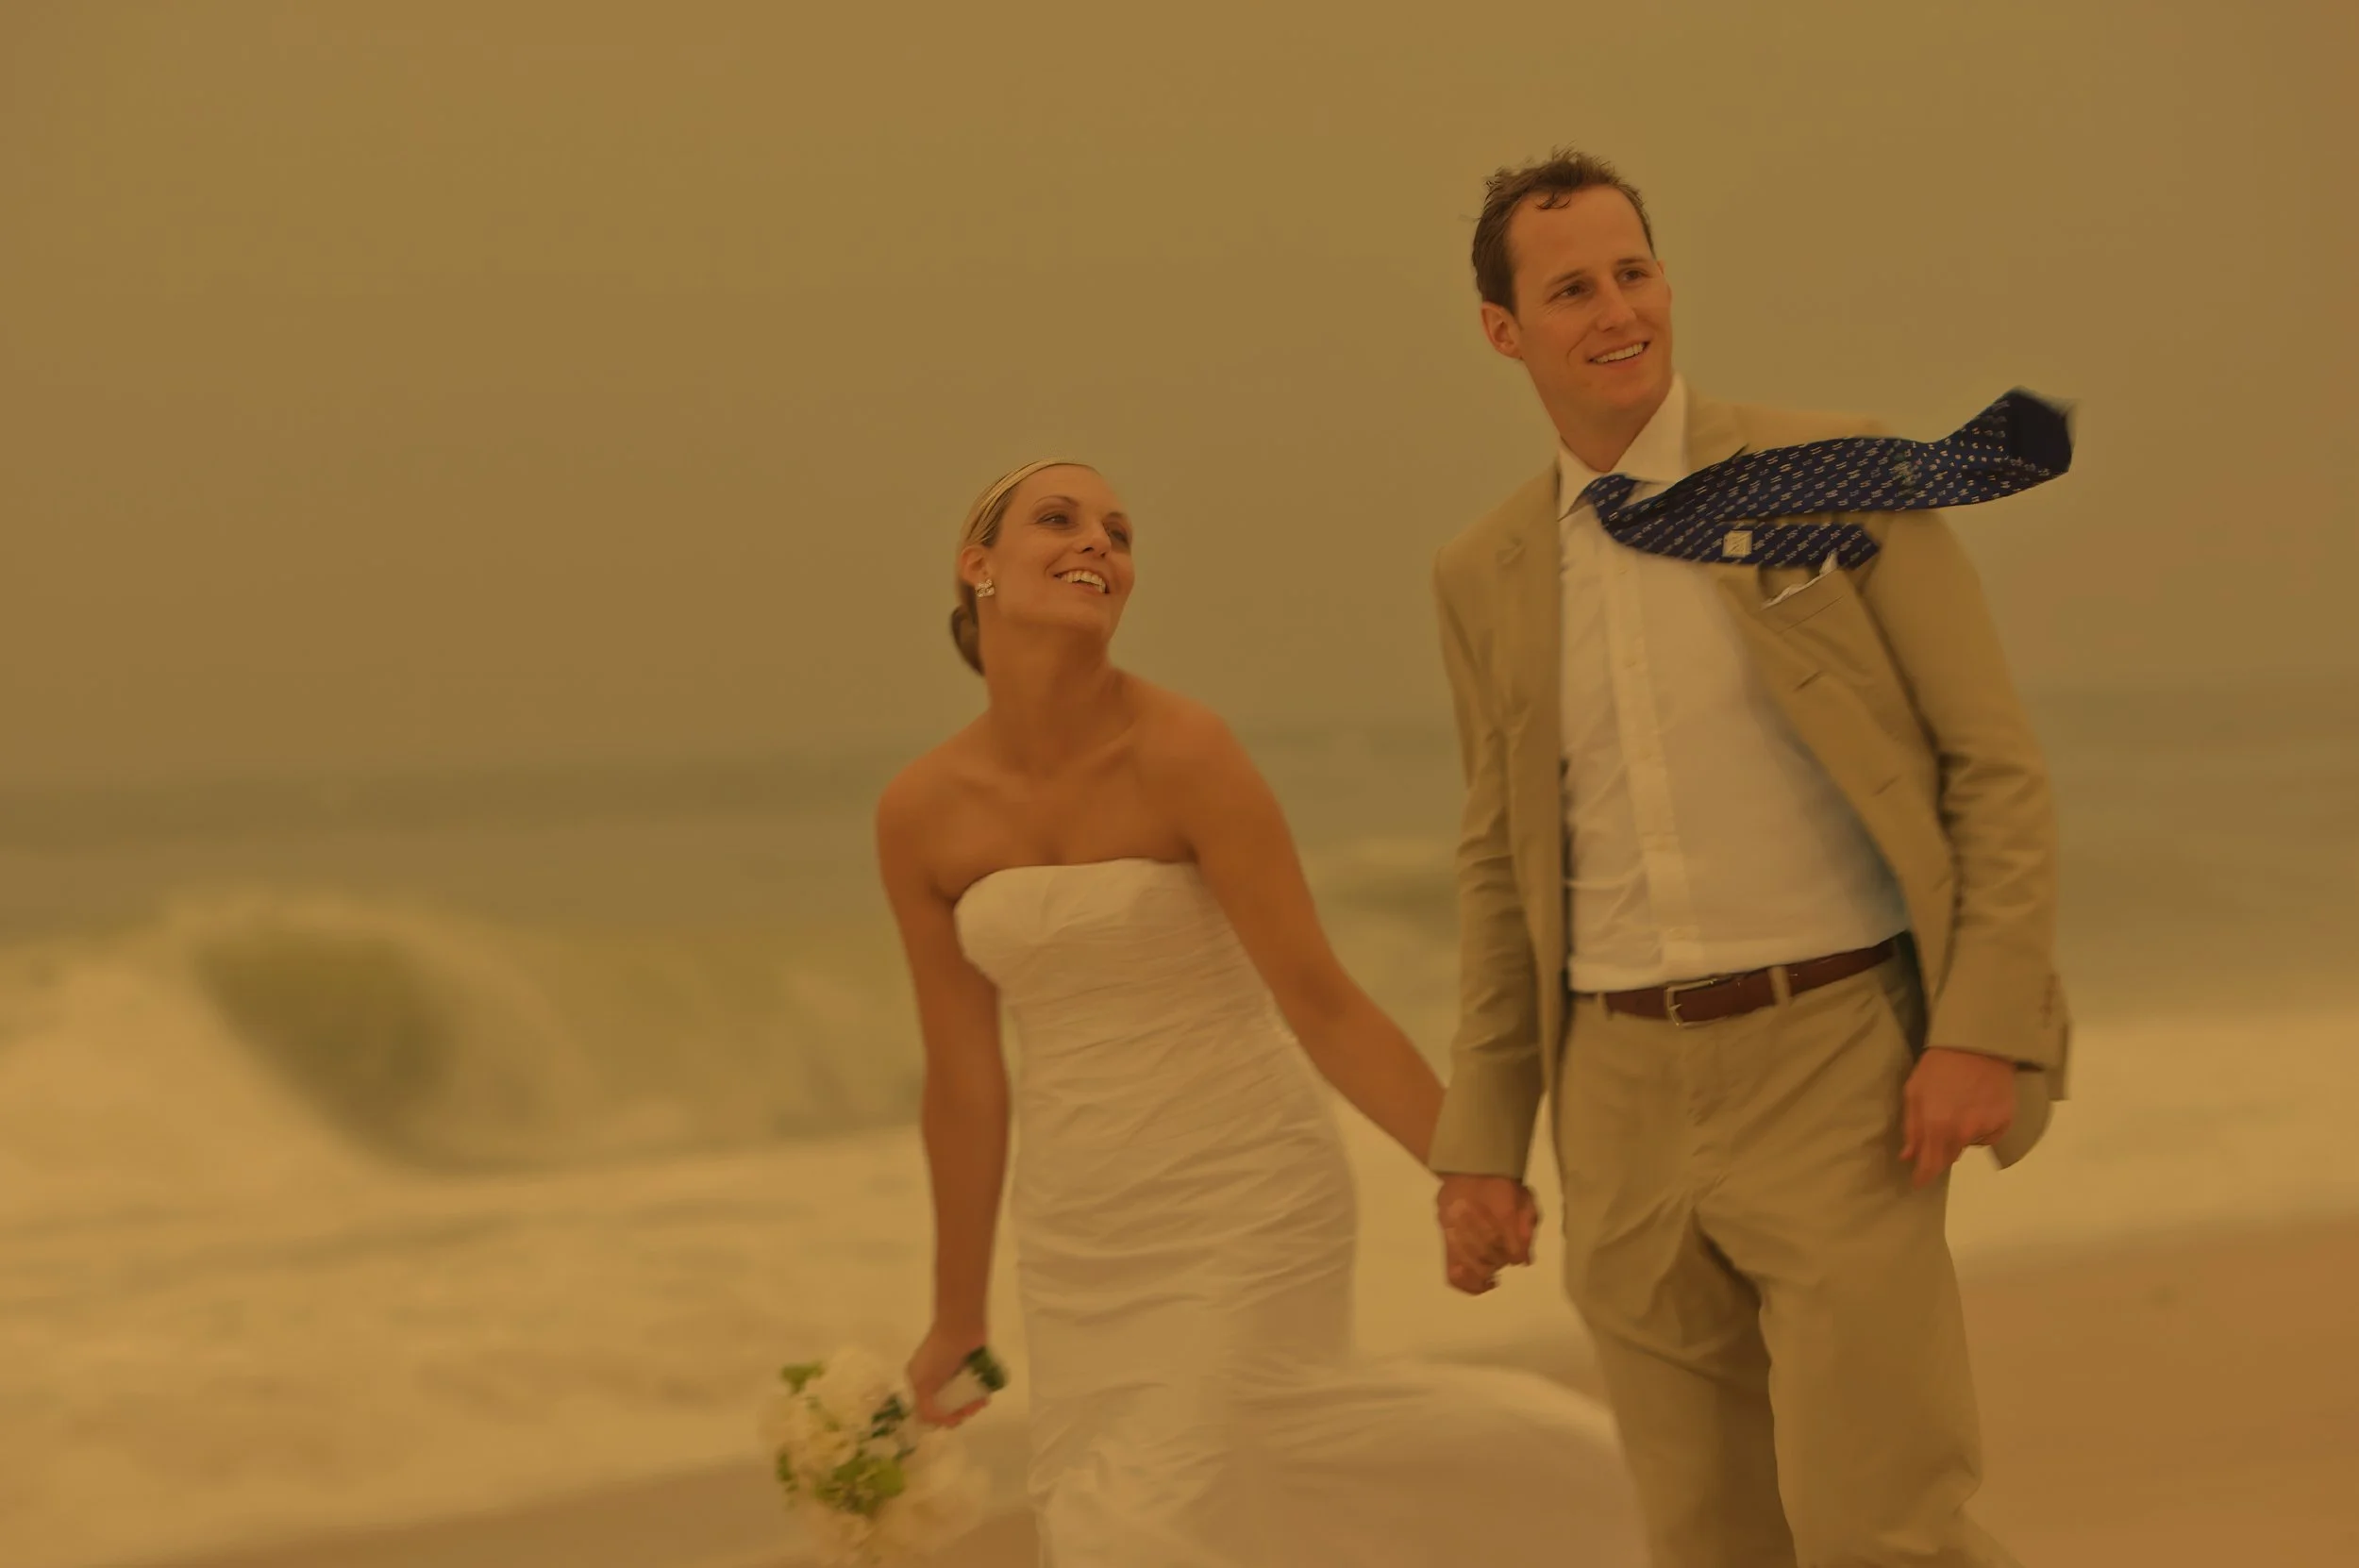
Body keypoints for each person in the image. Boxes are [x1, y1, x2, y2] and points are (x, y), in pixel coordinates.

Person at [1425, 147, 2071, 1568]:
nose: (1617, 311)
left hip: (1839, 1061)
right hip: (1620, 1092)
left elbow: (1993, 769)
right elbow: (1501, 864)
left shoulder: (1834, 471)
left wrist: (1980, 1025)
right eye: (1573, 287)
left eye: (1636, 273)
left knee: (1881, 1523)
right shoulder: (1485, 573)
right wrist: (1483, 1141)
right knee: (1707, 1537)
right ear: (1503, 329)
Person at [875, 458, 1644, 1564]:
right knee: (1115, 1520)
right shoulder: (918, 814)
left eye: (1119, 533)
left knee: (1169, 1505)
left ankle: (1643, 1501)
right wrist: (957, 1314)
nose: (1100, 543)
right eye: (1060, 520)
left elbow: (1320, 1000)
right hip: (1079, 1234)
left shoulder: (1184, 751)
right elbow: (963, 1080)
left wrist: (1465, 1164)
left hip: (1242, 1191)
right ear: (977, 565)